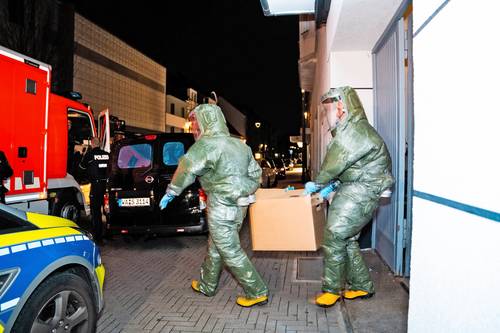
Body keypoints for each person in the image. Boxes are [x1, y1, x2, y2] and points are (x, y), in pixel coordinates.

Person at [159, 104, 268, 307]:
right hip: (240, 206)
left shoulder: (206, 145)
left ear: (204, 122)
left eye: (195, 123)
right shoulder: (240, 145)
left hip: (221, 205)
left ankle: (257, 290)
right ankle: (207, 284)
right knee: (216, 246)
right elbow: (256, 174)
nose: (193, 128)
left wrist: (171, 191)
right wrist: (242, 189)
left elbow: (187, 168)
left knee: (229, 249)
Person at [303, 86, 394, 307]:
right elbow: (348, 168)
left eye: (331, 107)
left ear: (342, 106)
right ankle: (362, 285)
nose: (328, 114)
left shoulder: (353, 132)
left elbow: (335, 163)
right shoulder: (352, 130)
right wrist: (329, 186)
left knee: (334, 235)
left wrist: (318, 183)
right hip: (356, 189)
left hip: (361, 191)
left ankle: (332, 290)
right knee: (348, 241)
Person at [79, 137, 110, 243]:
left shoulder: (89, 155)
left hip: (96, 187)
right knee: (107, 211)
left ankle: (98, 237)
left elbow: (81, 168)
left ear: (92, 144)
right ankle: (109, 234)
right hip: (106, 186)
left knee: (96, 212)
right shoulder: (107, 155)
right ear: (100, 144)